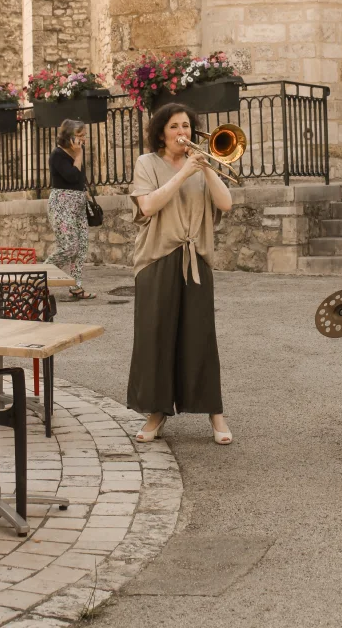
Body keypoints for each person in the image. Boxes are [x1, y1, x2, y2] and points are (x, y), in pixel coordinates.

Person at [127, 103, 233, 444]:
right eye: (174, 127)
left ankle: (215, 413)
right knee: (155, 338)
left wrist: (206, 169)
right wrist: (184, 173)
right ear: (161, 132)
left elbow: (226, 204)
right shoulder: (147, 164)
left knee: (200, 339)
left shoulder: (199, 165)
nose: (182, 133)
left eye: (186, 126)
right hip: (157, 259)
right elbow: (148, 205)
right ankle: (157, 413)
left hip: (196, 260)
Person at [45, 119, 95, 301]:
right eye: (80, 136)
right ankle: (39, 275)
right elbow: (72, 176)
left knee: (81, 247)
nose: (83, 140)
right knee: (69, 247)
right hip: (61, 204)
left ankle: (76, 287)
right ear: (69, 137)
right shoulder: (58, 155)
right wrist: (79, 154)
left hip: (78, 204)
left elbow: (80, 180)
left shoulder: (76, 152)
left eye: (84, 136)